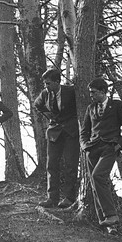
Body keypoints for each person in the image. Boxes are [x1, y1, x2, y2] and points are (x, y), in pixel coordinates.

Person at [79, 77, 122, 227]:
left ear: (103, 91)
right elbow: (84, 131)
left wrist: (118, 146)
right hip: (92, 149)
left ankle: (111, 215)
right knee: (95, 183)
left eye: (93, 92)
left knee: (98, 176)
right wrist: (85, 146)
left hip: (109, 148)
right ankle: (105, 223)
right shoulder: (91, 108)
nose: (91, 95)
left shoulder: (117, 105)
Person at [33, 68, 80, 208]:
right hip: (54, 132)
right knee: (51, 165)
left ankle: (69, 198)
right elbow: (37, 105)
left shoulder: (71, 92)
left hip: (71, 132)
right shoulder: (45, 94)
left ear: (57, 81)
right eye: (45, 84)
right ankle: (52, 198)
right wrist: (51, 117)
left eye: (48, 83)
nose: (46, 86)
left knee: (71, 165)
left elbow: (81, 107)